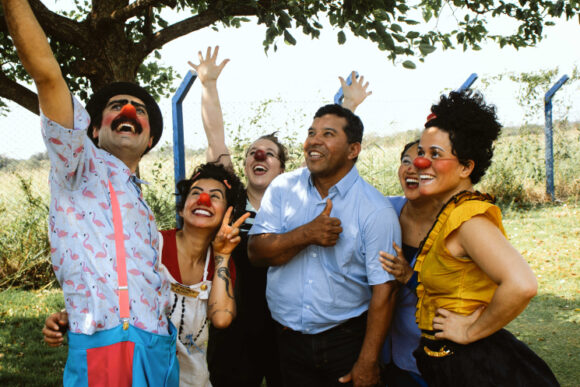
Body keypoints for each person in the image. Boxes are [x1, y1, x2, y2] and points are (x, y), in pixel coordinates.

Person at [3, 0, 178, 385]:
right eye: (117, 106)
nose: (130, 110)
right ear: (93, 131)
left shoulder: (140, 201)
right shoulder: (78, 166)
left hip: (158, 347)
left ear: (149, 141)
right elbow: (48, 76)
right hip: (106, 347)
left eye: (140, 109)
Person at [189, 47, 371, 387]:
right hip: (235, 323)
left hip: (284, 327)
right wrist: (208, 84)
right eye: (252, 153)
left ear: (283, 168)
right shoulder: (233, 198)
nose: (259, 155)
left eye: (269, 153)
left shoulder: (298, 197)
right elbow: (216, 138)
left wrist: (349, 106)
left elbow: (328, 155)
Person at [410, 90, 559, 386]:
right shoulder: (449, 213)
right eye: (421, 152)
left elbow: (522, 284)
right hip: (450, 365)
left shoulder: (469, 220)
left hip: (474, 368)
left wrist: (470, 331)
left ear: (466, 167)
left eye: (435, 154)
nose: (421, 163)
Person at [247, 103, 401, 387]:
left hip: (345, 341)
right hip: (286, 340)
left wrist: (367, 361)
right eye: (311, 132)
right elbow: (256, 253)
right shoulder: (282, 188)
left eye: (328, 134)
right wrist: (306, 234)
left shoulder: (375, 210)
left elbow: (385, 291)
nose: (313, 141)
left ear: (353, 150)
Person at [160, 162, 249, 386]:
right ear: (181, 208)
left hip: (192, 378)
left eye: (215, 196)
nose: (203, 200)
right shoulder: (154, 244)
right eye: (196, 193)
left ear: (228, 214)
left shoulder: (220, 262)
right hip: (146, 372)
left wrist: (222, 255)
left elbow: (221, 318)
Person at [377, 140, 441, 387]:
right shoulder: (386, 208)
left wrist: (411, 278)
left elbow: (465, 295)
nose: (412, 168)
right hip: (386, 351)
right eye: (405, 161)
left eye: (421, 161)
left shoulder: (456, 223)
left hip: (430, 358)